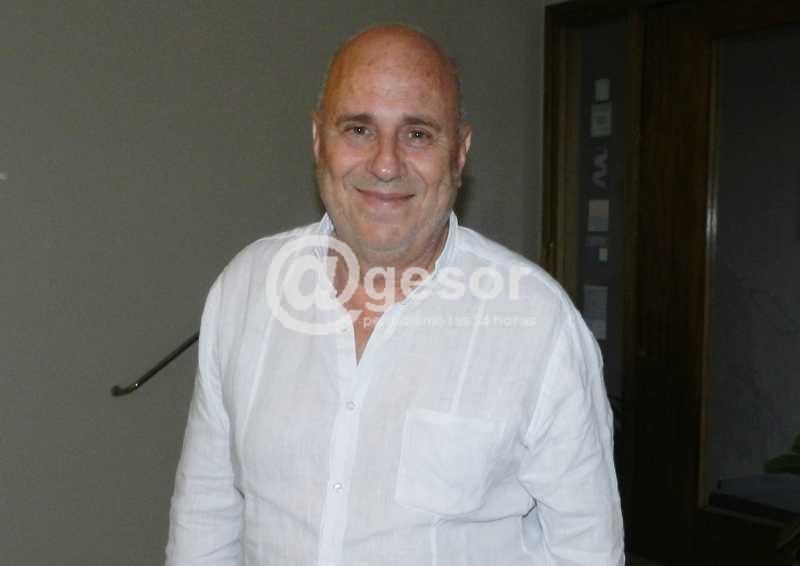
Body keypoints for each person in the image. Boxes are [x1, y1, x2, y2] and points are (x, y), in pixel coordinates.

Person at [166, 24, 624, 566]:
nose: (385, 164)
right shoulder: (244, 292)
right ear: (318, 140)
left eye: (418, 134)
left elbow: (587, 552)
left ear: (460, 153)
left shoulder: (539, 327)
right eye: (358, 129)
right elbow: (206, 519)